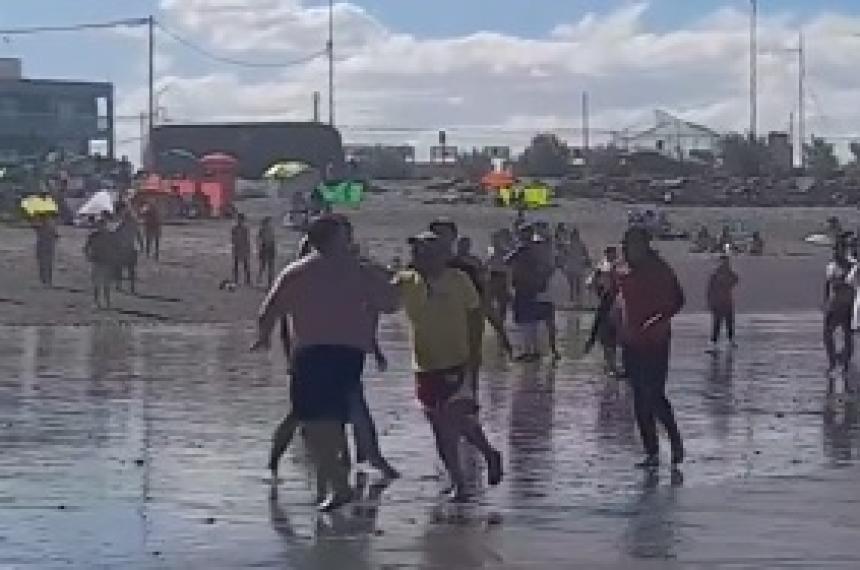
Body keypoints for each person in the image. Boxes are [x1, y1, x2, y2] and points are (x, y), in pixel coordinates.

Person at [253, 215, 398, 511]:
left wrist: (264, 336)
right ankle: (338, 485)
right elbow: (391, 303)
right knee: (328, 423)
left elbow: (268, 311)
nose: (351, 241)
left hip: (318, 353)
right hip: (341, 355)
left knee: (315, 425)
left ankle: (337, 485)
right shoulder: (355, 272)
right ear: (331, 241)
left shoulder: (300, 272)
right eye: (346, 236)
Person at [395, 231, 503, 501]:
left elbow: (476, 313)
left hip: (456, 360)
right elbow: (384, 300)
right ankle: (467, 474)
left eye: (426, 251)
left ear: (443, 256)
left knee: (451, 421)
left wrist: (476, 352)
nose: (419, 256)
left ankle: (475, 467)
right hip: (424, 364)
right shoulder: (406, 280)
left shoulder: (459, 280)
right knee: (441, 426)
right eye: (416, 251)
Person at [617, 226, 685, 469]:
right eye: (626, 244)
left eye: (633, 244)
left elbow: (679, 300)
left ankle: (675, 441)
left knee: (654, 395)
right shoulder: (622, 268)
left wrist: (658, 320)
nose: (628, 248)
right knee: (638, 398)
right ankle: (652, 452)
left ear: (645, 245)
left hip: (656, 341)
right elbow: (610, 300)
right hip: (631, 341)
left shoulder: (660, 269)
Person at [428, 219, 512, 395]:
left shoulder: (469, 268)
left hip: (466, 332)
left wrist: (502, 334)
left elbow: (485, 301)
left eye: (443, 235)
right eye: (435, 235)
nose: (439, 239)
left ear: (453, 238)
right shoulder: (424, 267)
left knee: (468, 384)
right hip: (436, 337)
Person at [507, 228, 557, 361]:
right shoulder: (532, 249)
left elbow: (507, 260)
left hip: (528, 288)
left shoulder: (524, 249)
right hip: (528, 287)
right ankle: (532, 350)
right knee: (528, 320)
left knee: (527, 320)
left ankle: (531, 351)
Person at [585, 246, 620, 374]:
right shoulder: (602, 267)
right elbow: (590, 283)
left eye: (613, 253)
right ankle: (610, 365)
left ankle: (611, 364)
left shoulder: (617, 266)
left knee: (610, 334)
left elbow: (590, 283)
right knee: (606, 333)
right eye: (610, 253)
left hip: (616, 300)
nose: (612, 255)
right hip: (608, 300)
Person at [824, 240, 855, 373]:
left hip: (845, 304)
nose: (837, 252)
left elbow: (835, 283)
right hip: (837, 304)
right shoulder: (833, 265)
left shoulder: (851, 265)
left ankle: (842, 362)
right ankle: (836, 361)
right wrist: (825, 300)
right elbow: (828, 284)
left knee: (846, 334)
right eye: (836, 250)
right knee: (829, 333)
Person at [707, 253, 739, 351]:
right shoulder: (716, 275)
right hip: (721, 302)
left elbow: (735, 280)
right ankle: (715, 342)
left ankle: (728, 340)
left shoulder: (720, 274)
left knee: (728, 322)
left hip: (726, 301)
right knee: (718, 322)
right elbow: (710, 290)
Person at [84, 214, 114, 309]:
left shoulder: (110, 234)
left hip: (106, 261)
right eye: (100, 224)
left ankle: (107, 302)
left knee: (106, 284)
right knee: (97, 284)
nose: (101, 226)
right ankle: (97, 302)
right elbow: (86, 247)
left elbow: (115, 247)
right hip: (97, 261)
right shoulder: (93, 235)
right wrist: (88, 256)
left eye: (103, 224)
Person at [486, 229, 513, 323]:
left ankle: (501, 320)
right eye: (494, 239)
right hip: (493, 275)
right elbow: (488, 262)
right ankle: (494, 318)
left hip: (502, 276)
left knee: (502, 301)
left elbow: (509, 267)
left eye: (497, 238)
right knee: (488, 300)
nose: (495, 241)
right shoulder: (491, 250)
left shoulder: (506, 251)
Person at [114, 205, 142, 294]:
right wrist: (141, 245)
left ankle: (119, 286)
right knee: (131, 269)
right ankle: (132, 288)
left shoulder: (122, 224)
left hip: (124, 248)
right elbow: (139, 235)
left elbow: (115, 234)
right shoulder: (134, 224)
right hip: (132, 248)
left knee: (120, 268)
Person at [34, 214, 59, 287]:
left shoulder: (41, 223)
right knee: (47, 264)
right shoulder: (51, 223)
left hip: (44, 246)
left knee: (43, 264)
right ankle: (47, 280)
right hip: (48, 246)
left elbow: (36, 230)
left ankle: (45, 280)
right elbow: (56, 235)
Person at [231, 213, 252, 286]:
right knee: (236, 265)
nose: (239, 221)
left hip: (243, 248)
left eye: (240, 220)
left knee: (246, 265)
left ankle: (247, 280)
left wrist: (248, 249)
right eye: (238, 219)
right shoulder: (235, 229)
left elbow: (247, 240)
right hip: (238, 248)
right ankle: (236, 280)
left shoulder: (244, 229)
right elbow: (233, 240)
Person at [257, 216, 277, 287]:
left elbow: (272, 240)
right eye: (269, 222)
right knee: (264, 266)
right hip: (266, 248)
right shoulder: (264, 230)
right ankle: (261, 279)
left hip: (269, 249)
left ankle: (268, 282)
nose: (269, 224)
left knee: (268, 266)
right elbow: (260, 240)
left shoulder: (269, 229)